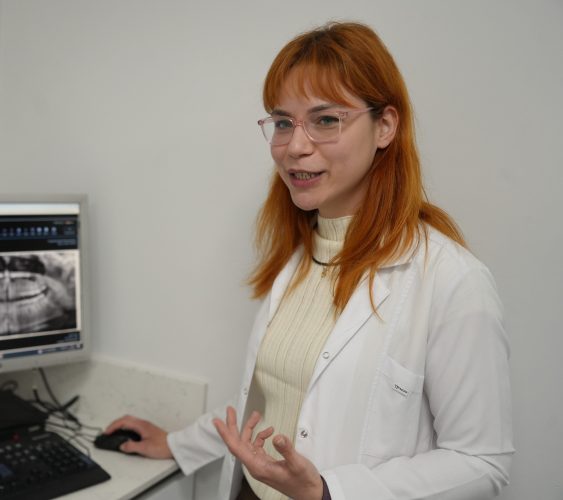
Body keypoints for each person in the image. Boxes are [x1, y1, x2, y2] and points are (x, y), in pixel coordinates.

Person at [105, 21, 513, 500]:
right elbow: (270, 397)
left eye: (325, 120)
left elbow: (482, 463)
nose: (295, 146)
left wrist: (328, 492)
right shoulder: (300, 255)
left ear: (385, 126)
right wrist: (177, 445)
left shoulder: (452, 280)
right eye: (283, 123)